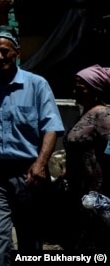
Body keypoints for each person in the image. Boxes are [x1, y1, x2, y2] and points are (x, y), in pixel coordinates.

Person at [0, 25, 64, 266]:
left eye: (5, 51)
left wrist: (41, 164)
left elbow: (51, 128)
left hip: (28, 173)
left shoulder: (37, 85)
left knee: (29, 238)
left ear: (17, 52)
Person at [64, 64, 110, 251]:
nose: (74, 91)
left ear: (95, 88)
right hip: (79, 192)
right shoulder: (85, 113)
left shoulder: (104, 116)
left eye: (79, 86)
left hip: (96, 196)